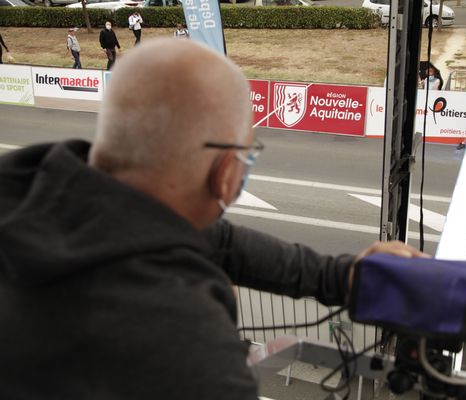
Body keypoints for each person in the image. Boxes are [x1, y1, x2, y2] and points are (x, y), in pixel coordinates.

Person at [0, 38, 427, 399]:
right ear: (226, 171)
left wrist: (342, 277)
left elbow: (219, 241)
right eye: (248, 152)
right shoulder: (187, 344)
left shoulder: (36, 187)